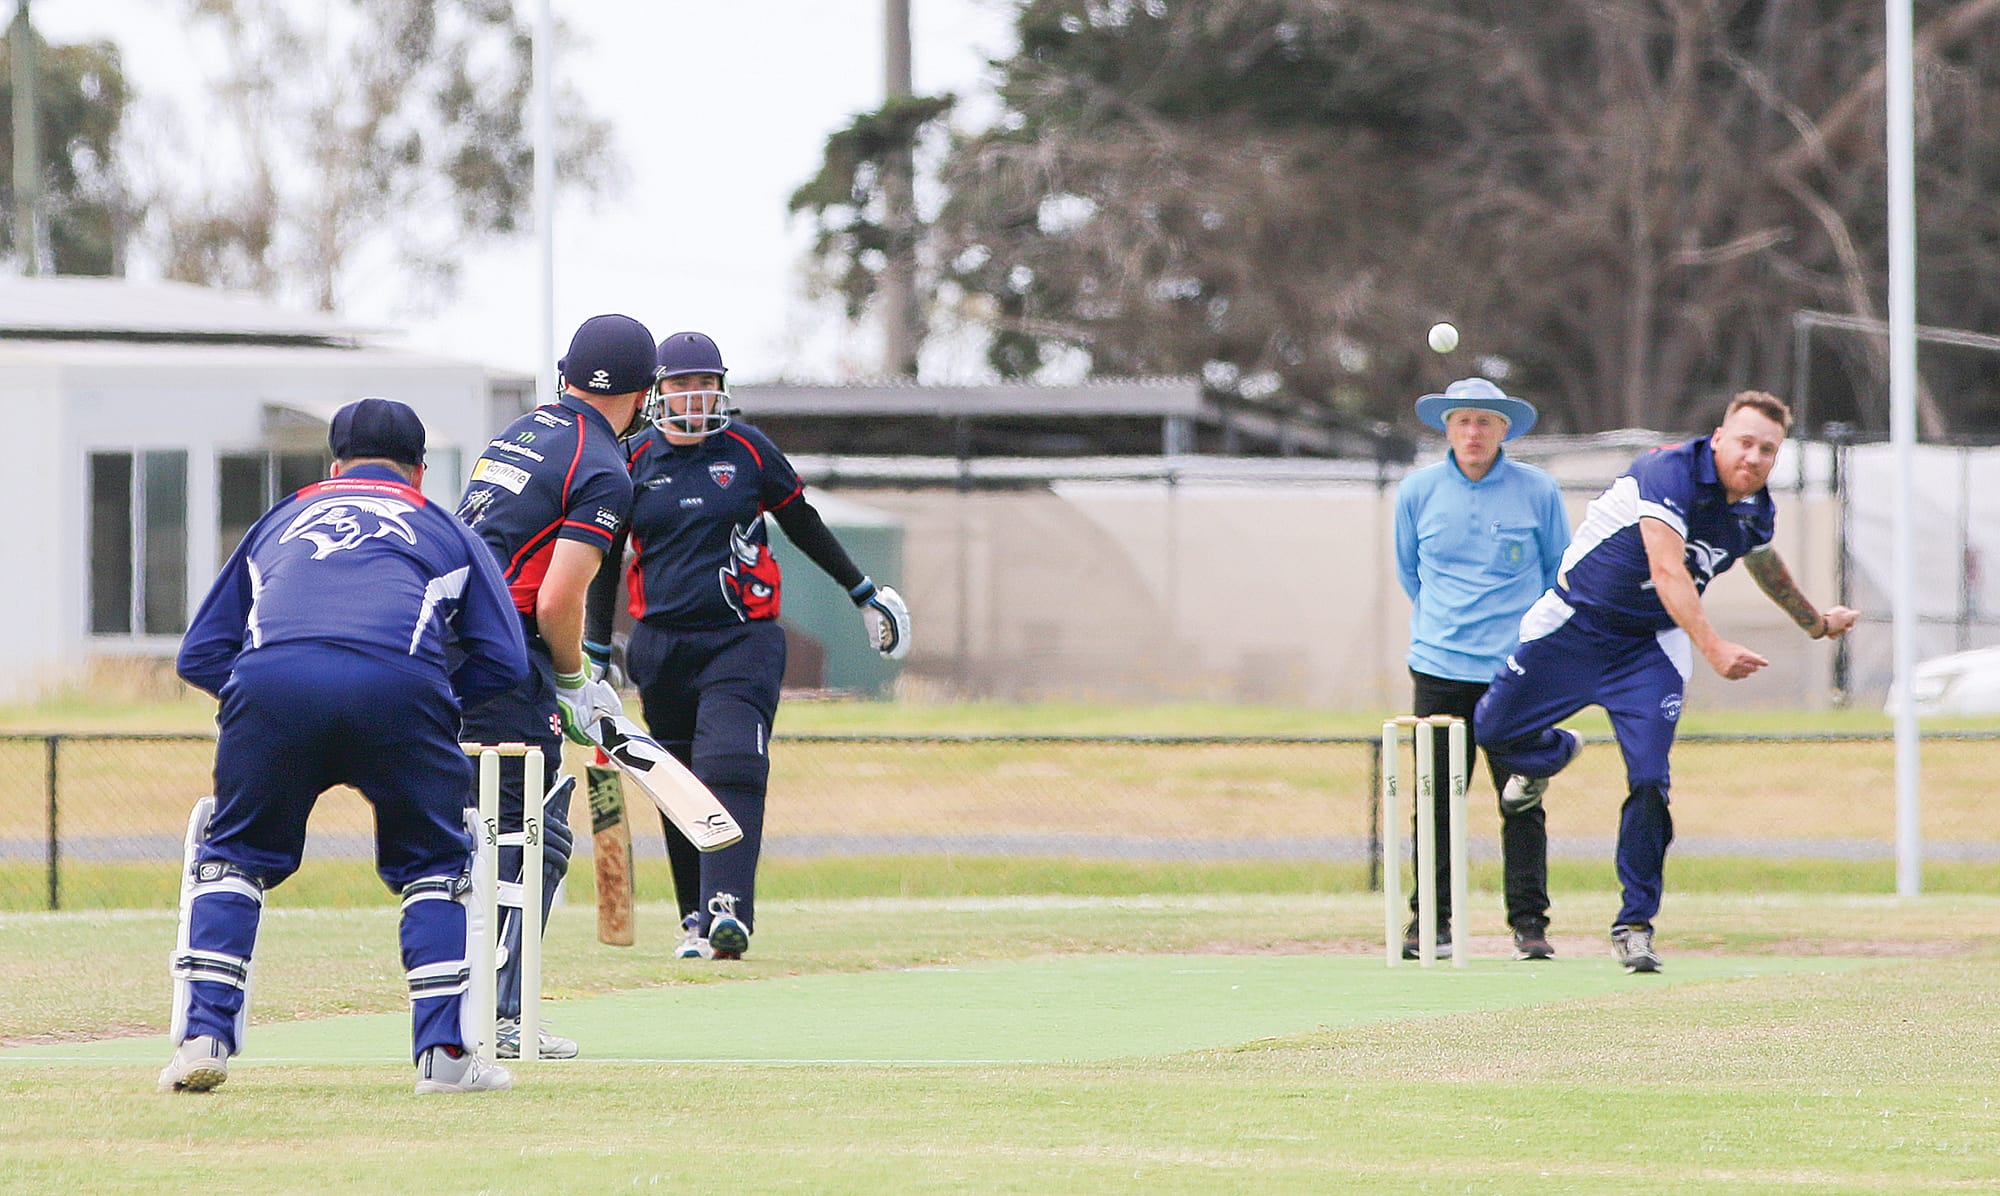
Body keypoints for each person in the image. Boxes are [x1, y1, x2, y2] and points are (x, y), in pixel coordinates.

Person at [164, 398, 528, 1095]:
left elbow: (200, 652)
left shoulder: (283, 516)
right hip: (402, 689)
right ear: (420, 471)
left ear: (333, 464)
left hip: (274, 686)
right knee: (436, 864)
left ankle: (204, 1038)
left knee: (233, 856)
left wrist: (260, 697)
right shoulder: (443, 526)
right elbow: (506, 661)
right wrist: (432, 696)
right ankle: (445, 1060)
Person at [1474, 391, 1858, 973]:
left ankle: (1634, 925)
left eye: (1768, 450)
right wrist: (1716, 647)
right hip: (1576, 624)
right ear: (1719, 437)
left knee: (1651, 780)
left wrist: (1815, 623)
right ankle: (1550, 756)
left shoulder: (1755, 507)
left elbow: (1761, 559)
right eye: (1745, 443)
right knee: (1492, 730)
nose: (1754, 458)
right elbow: (1665, 567)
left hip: (1648, 649)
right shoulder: (1668, 471)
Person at [585, 330, 910, 961]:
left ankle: (727, 909)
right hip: (660, 647)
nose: (697, 394)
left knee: (731, 760)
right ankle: (692, 920)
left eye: (706, 381)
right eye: (682, 383)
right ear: (657, 392)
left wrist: (863, 590)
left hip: (743, 640)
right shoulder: (627, 463)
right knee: (676, 781)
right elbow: (605, 561)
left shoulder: (749, 450)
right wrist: (596, 653)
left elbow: (803, 523)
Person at [454, 314, 653, 1058]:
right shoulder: (603, 465)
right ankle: (498, 1021)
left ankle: (461, 1012)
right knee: (530, 838)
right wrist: (575, 680)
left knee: (476, 836)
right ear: (641, 392)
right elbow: (557, 599)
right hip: (506, 659)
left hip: (444, 647)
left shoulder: (518, 434)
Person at [1396, 377, 1570, 961]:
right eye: (1463, 420)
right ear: (1447, 428)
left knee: (1521, 798)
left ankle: (1529, 923)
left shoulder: (1537, 491)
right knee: (1436, 802)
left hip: (1514, 672)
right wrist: (1445, 628)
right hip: (1439, 668)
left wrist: (1533, 649)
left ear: (1504, 430)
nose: (1473, 432)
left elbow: (1555, 575)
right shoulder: (1417, 491)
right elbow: (1410, 574)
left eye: (1485, 422)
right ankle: (1432, 923)